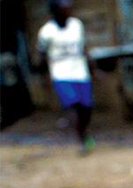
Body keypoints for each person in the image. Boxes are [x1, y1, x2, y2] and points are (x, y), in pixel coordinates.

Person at [36, 0, 93, 154]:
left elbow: (84, 47)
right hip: (61, 74)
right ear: (56, 11)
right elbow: (42, 56)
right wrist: (44, 77)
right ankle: (81, 141)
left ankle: (84, 132)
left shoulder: (76, 25)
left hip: (81, 73)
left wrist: (93, 67)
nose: (69, 10)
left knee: (86, 108)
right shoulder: (46, 32)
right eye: (65, 8)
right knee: (73, 105)